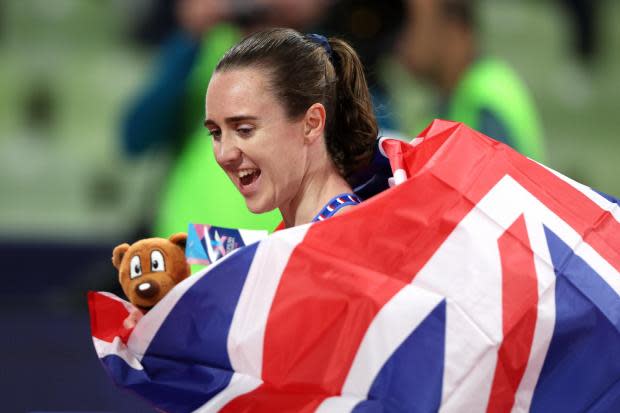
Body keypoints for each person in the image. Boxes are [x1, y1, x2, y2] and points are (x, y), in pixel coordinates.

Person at [204, 28, 378, 228]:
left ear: (311, 123)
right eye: (216, 133)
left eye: (244, 130)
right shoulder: (301, 238)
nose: (225, 155)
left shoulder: (345, 241)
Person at [399, 0, 546, 161]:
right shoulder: (447, 101)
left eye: (409, 20)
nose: (399, 40)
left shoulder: (487, 96)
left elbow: (499, 182)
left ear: (453, 27)